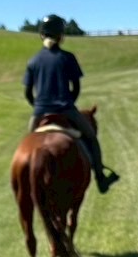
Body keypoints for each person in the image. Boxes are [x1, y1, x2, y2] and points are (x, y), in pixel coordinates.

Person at [22, 15, 120, 193]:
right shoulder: (67, 57)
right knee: (91, 137)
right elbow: (76, 88)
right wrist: (67, 104)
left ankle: (26, 185)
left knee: (28, 145)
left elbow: (28, 93)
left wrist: (38, 107)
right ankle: (100, 178)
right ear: (61, 36)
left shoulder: (33, 61)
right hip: (65, 109)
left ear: (41, 35)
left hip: (40, 112)